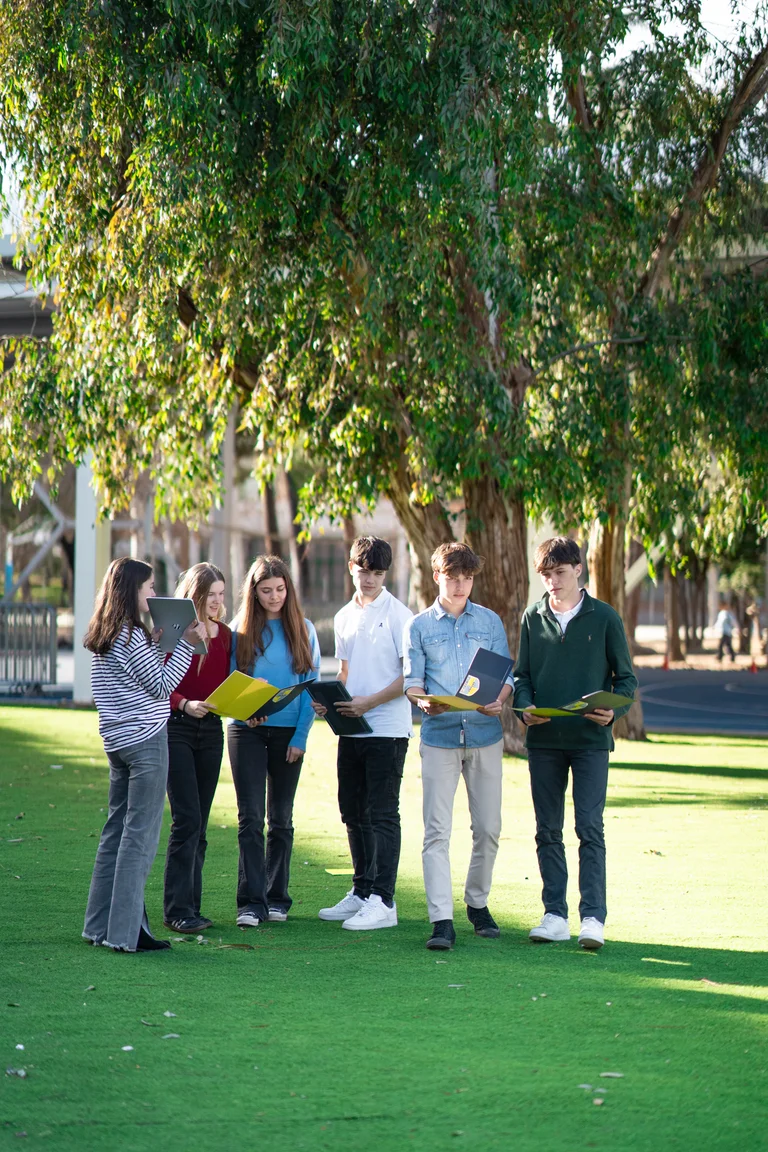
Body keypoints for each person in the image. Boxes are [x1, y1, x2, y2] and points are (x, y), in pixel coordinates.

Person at [514, 536, 638, 951]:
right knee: (547, 829)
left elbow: (627, 680)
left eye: (560, 573)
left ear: (578, 570)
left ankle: (592, 919)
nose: (552, 582)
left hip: (590, 741)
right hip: (544, 740)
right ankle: (554, 916)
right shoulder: (532, 618)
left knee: (589, 828)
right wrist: (524, 707)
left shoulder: (605, 618)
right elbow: (523, 677)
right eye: (546, 575)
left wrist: (614, 712)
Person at [82, 557, 206, 953]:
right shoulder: (131, 635)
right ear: (132, 588)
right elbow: (162, 686)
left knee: (115, 832)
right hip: (146, 740)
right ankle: (126, 933)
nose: (154, 593)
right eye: (150, 586)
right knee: (139, 836)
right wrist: (185, 645)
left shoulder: (107, 631)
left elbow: (136, 677)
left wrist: (159, 644)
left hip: (117, 741)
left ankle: (98, 927)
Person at [403, 542, 513, 951]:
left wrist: (501, 699)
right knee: (437, 832)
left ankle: (477, 903)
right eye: (453, 578)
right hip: (439, 737)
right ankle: (441, 920)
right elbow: (412, 681)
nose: (461, 585)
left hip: (485, 735)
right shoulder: (418, 626)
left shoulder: (490, 621)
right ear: (437, 577)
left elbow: (505, 674)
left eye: (467, 578)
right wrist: (421, 699)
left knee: (488, 829)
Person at [316, 536, 413, 931]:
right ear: (351, 567)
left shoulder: (401, 615)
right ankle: (361, 890)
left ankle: (384, 901)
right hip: (350, 729)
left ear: (385, 574)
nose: (369, 578)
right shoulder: (343, 617)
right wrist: (331, 701)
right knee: (353, 812)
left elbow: (410, 678)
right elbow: (345, 672)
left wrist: (368, 703)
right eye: (363, 570)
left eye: (377, 572)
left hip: (388, 731)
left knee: (383, 813)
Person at [228, 556, 321, 927]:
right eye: (266, 591)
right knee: (250, 818)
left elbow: (310, 688)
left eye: (280, 589)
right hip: (246, 731)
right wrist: (244, 709)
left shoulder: (304, 629)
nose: (274, 597)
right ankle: (251, 902)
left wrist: (300, 736)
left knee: (281, 819)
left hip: (288, 734)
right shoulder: (240, 629)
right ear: (254, 592)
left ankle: (277, 897)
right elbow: (231, 682)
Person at [163, 563, 231, 935]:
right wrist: (184, 704)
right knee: (186, 819)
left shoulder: (226, 636)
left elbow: (226, 681)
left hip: (212, 730)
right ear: (195, 596)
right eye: (210, 596)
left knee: (200, 824)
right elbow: (159, 681)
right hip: (177, 729)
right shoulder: (176, 633)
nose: (217, 602)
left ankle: (192, 907)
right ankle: (176, 910)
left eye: (222, 594)